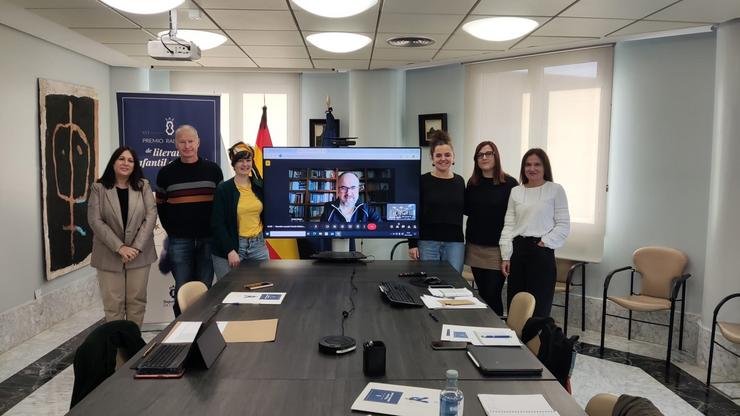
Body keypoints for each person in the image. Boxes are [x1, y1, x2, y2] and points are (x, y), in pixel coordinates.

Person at [156, 125, 223, 316]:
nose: (187, 146)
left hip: (208, 239)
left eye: (190, 141)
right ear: (176, 144)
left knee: (204, 288)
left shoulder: (213, 171)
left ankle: (203, 331)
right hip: (179, 240)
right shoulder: (165, 173)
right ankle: (182, 333)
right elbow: (161, 206)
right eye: (182, 142)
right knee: (182, 288)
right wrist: (174, 231)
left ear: (198, 142)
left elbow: (220, 206)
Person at [87, 147, 157, 328]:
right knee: (113, 306)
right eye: (121, 159)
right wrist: (120, 247)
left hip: (139, 254)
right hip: (108, 254)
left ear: (135, 165)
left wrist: (135, 247)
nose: (126, 163)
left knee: (137, 303)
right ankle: (117, 354)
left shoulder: (143, 186)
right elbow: (95, 221)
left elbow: (151, 216)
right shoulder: (99, 188)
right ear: (113, 162)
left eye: (130, 160)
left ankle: (132, 350)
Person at [500, 148, 570, 318]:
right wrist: (506, 256)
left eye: (537, 164)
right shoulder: (516, 191)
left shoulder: (555, 190)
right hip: (518, 251)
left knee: (539, 307)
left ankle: (537, 344)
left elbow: (563, 225)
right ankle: (517, 342)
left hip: (541, 251)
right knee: (516, 305)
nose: (532, 169)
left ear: (545, 167)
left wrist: (544, 242)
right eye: (528, 165)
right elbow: (509, 225)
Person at [464, 141, 518, 315]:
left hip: (497, 250)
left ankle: (497, 336)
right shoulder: (472, 183)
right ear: (476, 160)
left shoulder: (510, 184)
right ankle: (483, 332)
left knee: (492, 295)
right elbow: (466, 210)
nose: (484, 157)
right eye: (480, 155)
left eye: (488, 153)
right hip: (475, 248)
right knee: (483, 295)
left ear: (496, 156)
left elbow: (515, 218)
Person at [408, 131, 466, 273]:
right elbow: (413, 213)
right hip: (427, 242)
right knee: (430, 284)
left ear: (453, 157)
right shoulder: (423, 181)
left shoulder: (460, 181)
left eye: (447, 155)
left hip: (455, 243)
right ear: (432, 159)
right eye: (438, 155)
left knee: (454, 285)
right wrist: (412, 244)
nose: (443, 159)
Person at [211, 142, 269, 279]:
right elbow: (217, 223)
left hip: (258, 245)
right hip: (232, 247)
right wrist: (230, 250)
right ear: (233, 163)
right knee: (229, 292)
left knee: (262, 287)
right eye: (240, 161)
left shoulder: (259, 186)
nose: (245, 164)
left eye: (248, 160)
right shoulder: (223, 189)